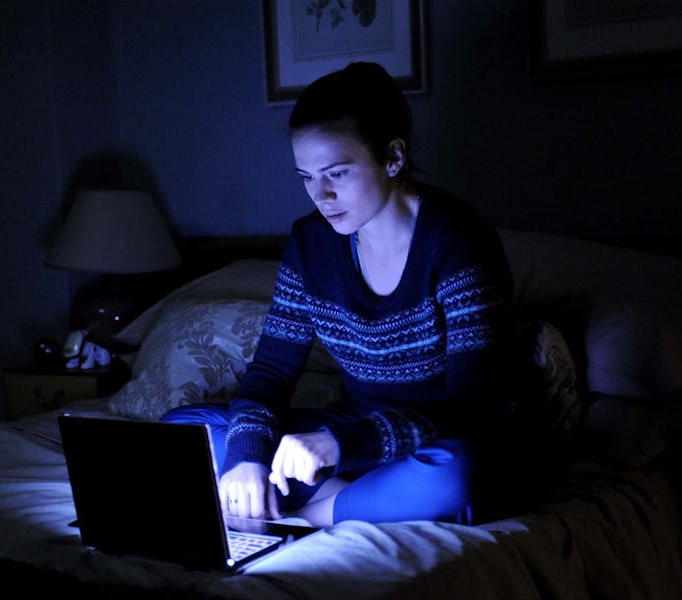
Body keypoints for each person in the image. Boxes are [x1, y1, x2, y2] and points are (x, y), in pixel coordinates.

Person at [161, 61, 519, 527]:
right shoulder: (311, 244)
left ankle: (319, 512)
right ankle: (354, 499)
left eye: (337, 173)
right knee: (187, 430)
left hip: (440, 442)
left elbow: (472, 406)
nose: (321, 195)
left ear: (392, 156)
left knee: (455, 476)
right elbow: (270, 371)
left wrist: (343, 445)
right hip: (348, 441)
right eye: (306, 177)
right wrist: (249, 458)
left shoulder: (458, 241)